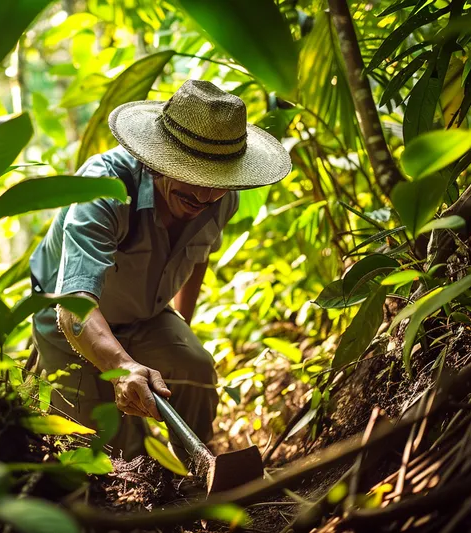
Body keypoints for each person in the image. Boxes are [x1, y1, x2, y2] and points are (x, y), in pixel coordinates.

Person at [28, 79, 291, 460]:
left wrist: (178, 329)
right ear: (157, 160)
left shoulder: (223, 198)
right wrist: (123, 365)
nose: (205, 196)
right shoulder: (104, 187)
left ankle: (196, 473)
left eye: (215, 181)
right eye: (192, 176)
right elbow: (74, 305)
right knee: (107, 452)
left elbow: (197, 259)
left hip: (144, 314)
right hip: (67, 325)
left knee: (195, 370)